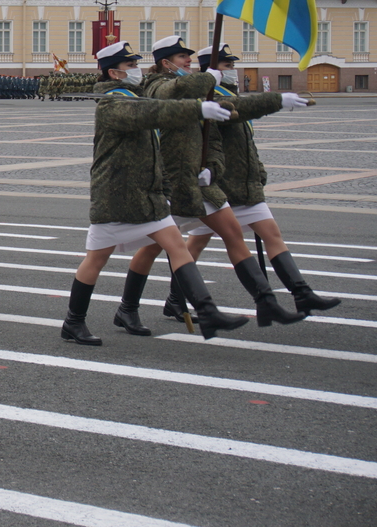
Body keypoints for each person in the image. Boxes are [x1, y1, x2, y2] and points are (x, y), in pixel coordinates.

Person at [59, 42, 246, 344]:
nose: (136, 70)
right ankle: (73, 322)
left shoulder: (134, 96)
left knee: (177, 247)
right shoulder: (112, 104)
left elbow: (158, 117)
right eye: (131, 66)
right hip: (117, 198)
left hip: (148, 197)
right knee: (96, 261)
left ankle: (207, 310)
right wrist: (197, 107)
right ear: (114, 73)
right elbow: (152, 112)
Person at [119, 36, 304, 331]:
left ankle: (267, 303)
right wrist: (207, 78)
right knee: (152, 249)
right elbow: (173, 92)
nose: (188, 61)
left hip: (200, 183)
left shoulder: (196, 86)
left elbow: (232, 111)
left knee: (233, 234)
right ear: (166, 63)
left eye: (189, 57)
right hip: (173, 184)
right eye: (182, 57)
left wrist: (277, 101)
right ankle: (127, 309)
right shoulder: (155, 86)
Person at [181, 44, 337, 316]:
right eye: (227, 66)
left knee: (269, 234)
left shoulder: (229, 93)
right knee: (191, 246)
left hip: (245, 185)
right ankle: (176, 299)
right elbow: (235, 113)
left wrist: (258, 171)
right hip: (222, 186)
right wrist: (276, 101)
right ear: (212, 69)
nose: (233, 70)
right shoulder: (211, 98)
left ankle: (301, 293)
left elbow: (246, 144)